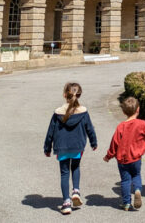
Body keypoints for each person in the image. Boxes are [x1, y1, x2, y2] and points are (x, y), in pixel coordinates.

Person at [44, 83, 98, 215]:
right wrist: (93, 142)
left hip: (62, 146)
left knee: (64, 173)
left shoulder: (57, 113)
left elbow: (50, 131)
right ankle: (76, 191)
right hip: (77, 145)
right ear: (79, 95)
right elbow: (89, 128)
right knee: (75, 167)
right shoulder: (83, 112)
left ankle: (66, 202)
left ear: (64, 95)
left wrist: (47, 147)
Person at [104, 97, 145, 211]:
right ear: (138, 110)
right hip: (136, 158)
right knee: (136, 175)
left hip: (123, 160)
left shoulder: (121, 127)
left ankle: (126, 204)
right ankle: (138, 190)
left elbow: (114, 144)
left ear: (124, 112)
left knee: (125, 181)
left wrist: (108, 156)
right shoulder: (142, 124)